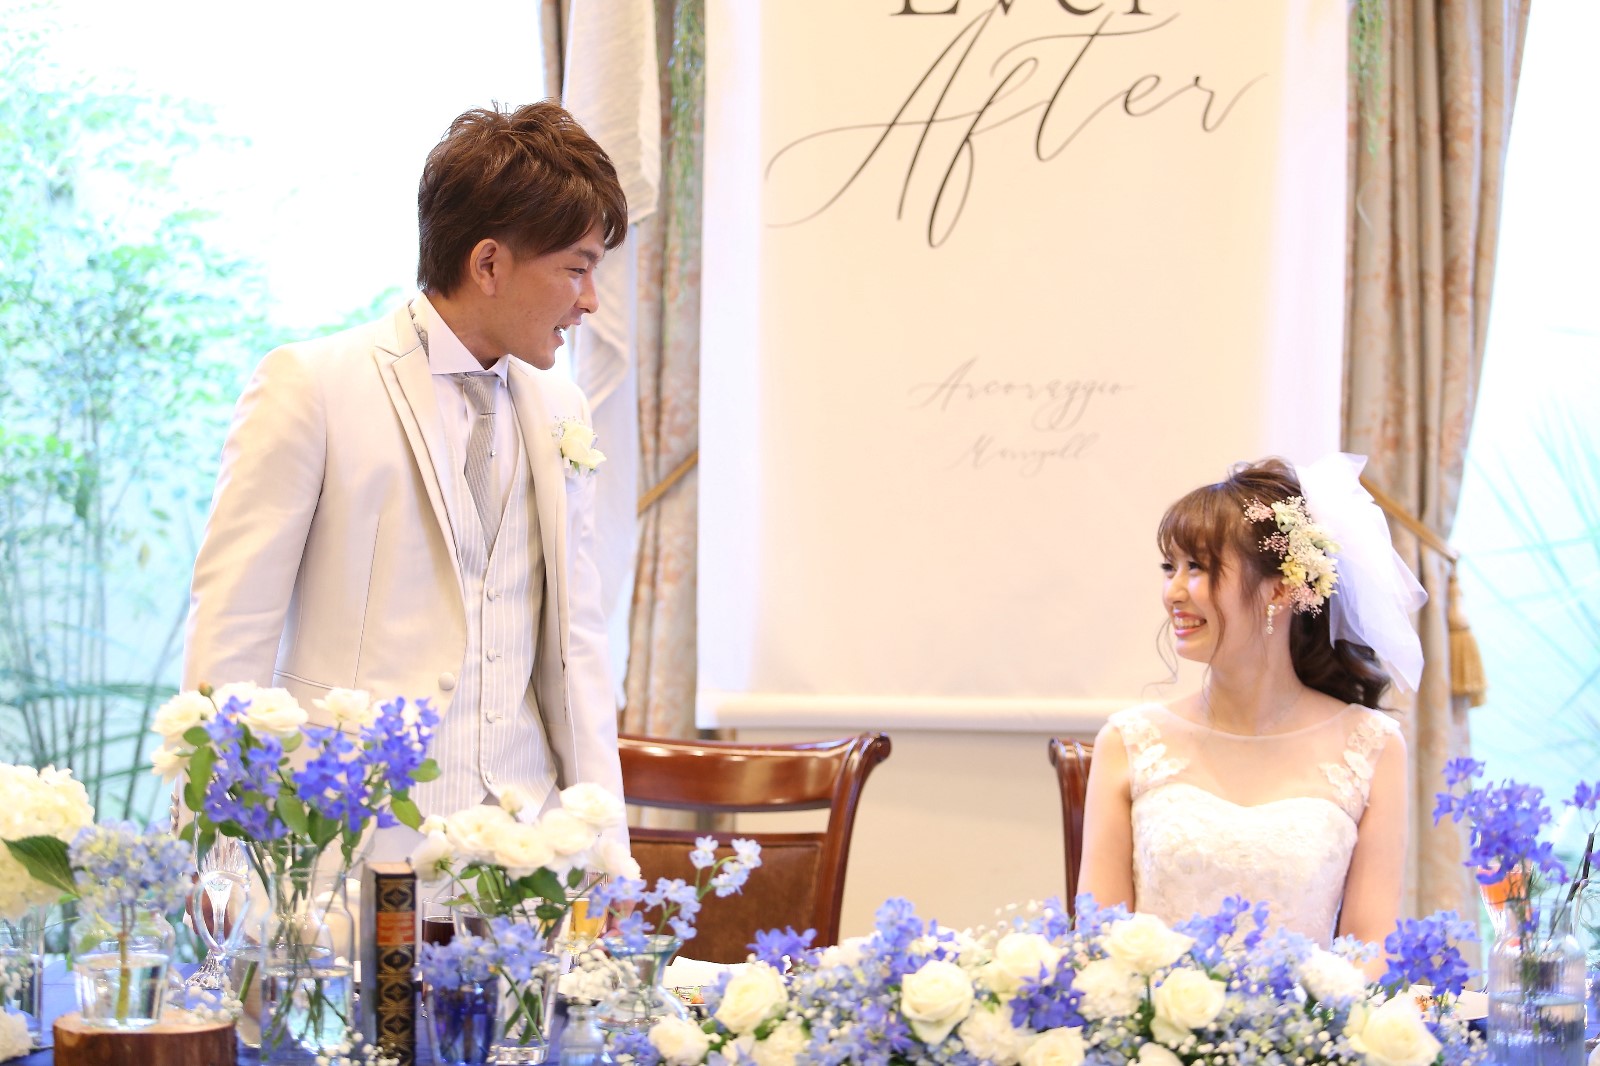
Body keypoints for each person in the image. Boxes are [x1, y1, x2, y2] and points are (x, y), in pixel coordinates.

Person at [182, 102, 628, 827]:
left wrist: (602, 842)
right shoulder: (312, 384)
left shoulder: (562, 407)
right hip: (356, 831)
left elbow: (579, 641)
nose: (590, 301)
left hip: (526, 841)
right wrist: (218, 836)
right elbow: (235, 624)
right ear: (488, 263)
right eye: (576, 270)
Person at [1077, 455, 1427, 949]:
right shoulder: (1128, 741)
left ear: (1281, 589)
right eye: (1170, 567)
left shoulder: (1372, 746)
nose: (1173, 592)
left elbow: (1370, 946)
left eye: (1197, 568)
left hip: (1312, 1002)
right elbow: (1098, 941)